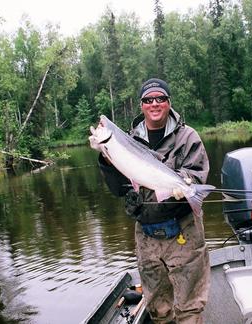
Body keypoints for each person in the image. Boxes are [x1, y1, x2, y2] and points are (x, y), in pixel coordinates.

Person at [90, 78, 211, 323]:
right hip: (146, 236)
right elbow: (118, 190)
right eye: (148, 100)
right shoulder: (127, 140)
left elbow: (197, 174)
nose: (154, 103)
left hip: (184, 231)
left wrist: (183, 183)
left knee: (189, 307)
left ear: (169, 103)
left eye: (160, 98)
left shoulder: (188, 137)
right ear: (141, 105)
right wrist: (105, 158)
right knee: (158, 308)